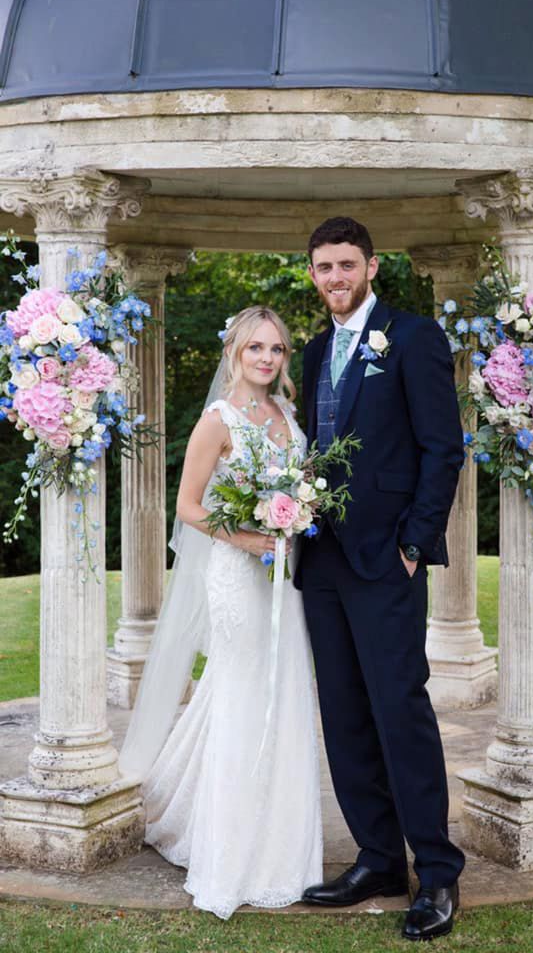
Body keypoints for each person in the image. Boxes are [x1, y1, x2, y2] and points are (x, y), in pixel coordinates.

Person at [119, 306, 322, 920]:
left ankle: (284, 845)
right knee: (241, 692)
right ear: (235, 351)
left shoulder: (288, 414)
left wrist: (295, 514)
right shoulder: (218, 420)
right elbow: (187, 507)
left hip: (284, 577)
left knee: (285, 691)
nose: (267, 358)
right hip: (238, 575)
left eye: (278, 350)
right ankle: (230, 851)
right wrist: (249, 536)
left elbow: (302, 485)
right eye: (256, 347)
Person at [296, 217, 465, 942]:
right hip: (321, 557)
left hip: (387, 556)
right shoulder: (308, 353)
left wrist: (416, 542)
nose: (335, 278)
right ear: (312, 274)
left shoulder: (414, 336)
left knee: (400, 709)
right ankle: (376, 858)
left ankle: (436, 869)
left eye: (346, 265)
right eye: (324, 267)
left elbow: (442, 447)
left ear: (371, 266)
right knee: (344, 711)